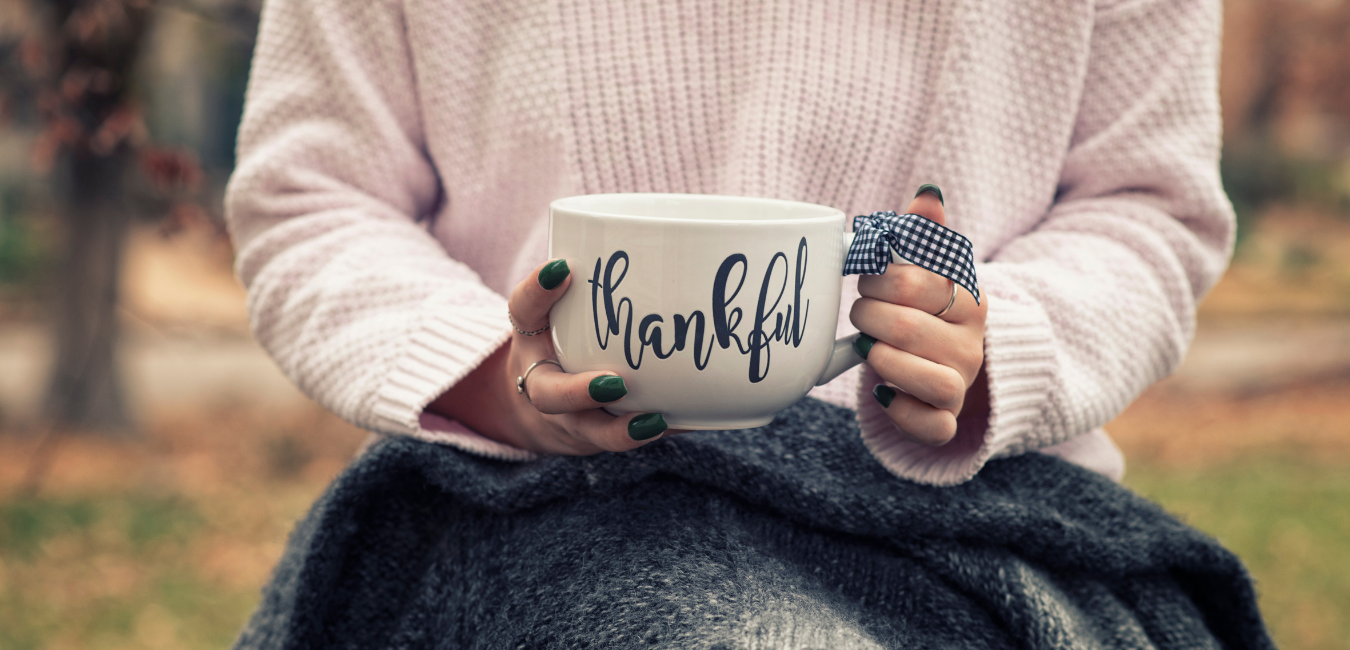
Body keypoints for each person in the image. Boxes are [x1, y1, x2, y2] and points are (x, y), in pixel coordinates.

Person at [226, 0, 1270, 646]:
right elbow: (309, 198)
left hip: (971, 517)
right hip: (534, 500)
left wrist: (995, 340)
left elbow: (1148, 203)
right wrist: (490, 377)